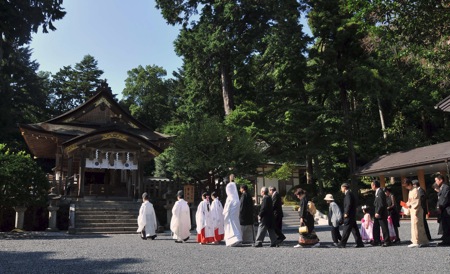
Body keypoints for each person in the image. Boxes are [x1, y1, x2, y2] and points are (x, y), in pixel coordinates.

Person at [403, 178, 429, 247]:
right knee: (417, 226)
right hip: (413, 210)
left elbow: (416, 201)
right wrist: (406, 204)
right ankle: (421, 240)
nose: (406, 187)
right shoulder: (411, 191)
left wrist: (409, 204)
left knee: (416, 226)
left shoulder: (415, 190)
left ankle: (417, 241)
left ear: (410, 184)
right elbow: (410, 200)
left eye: (406, 186)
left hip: (417, 210)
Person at [337, 183, 364, 248]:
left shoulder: (348, 194)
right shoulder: (350, 193)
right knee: (355, 230)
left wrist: (346, 212)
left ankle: (342, 243)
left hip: (349, 215)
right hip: (352, 214)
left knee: (346, 229)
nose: (341, 189)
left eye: (341, 188)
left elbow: (348, 204)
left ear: (344, 187)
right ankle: (359, 243)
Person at [223, 179, 243, 247]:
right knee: (236, 226)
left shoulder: (230, 199)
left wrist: (224, 214)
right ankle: (238, 239)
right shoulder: (236, 199)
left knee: (231, 228)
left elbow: (227, 209)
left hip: (230, 217)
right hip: (235, 217)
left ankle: (233, 240)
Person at [371, 180, 391, 247]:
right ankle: (376, 240)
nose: (371, 187)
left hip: (381, 213)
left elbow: (381, 204)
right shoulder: (378, 192)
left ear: (374, 185)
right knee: (375, 227)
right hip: (377, 213)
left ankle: (387, 241)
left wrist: (378, 212)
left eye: (372, 185)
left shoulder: (380, 192)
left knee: (384, 227)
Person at [435, 174, 450, 246]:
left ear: (441, 180)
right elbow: (440, 198)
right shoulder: (441, 188)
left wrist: (440, 206)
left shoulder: (446, 187)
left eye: (436, 180)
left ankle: (447, 241)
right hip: (443, 209)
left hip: (447, 209)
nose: (436, 182)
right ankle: (445, 240)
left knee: (447, 225)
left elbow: (445, 199)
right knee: (444, 225)